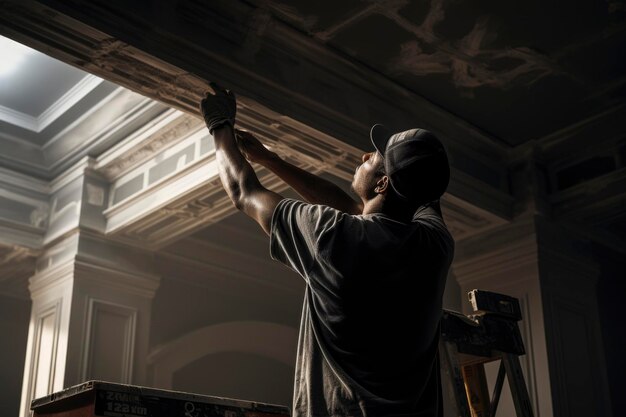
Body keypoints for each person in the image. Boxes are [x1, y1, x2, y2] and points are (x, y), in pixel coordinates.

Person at [200, 83, 454, 417]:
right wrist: (271, 159)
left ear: (382, 183)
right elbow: (359, 212)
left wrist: (220, 124)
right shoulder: (435, 245)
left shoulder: (330, 235)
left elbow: (243, 191)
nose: (364, 155)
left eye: (374, 157)